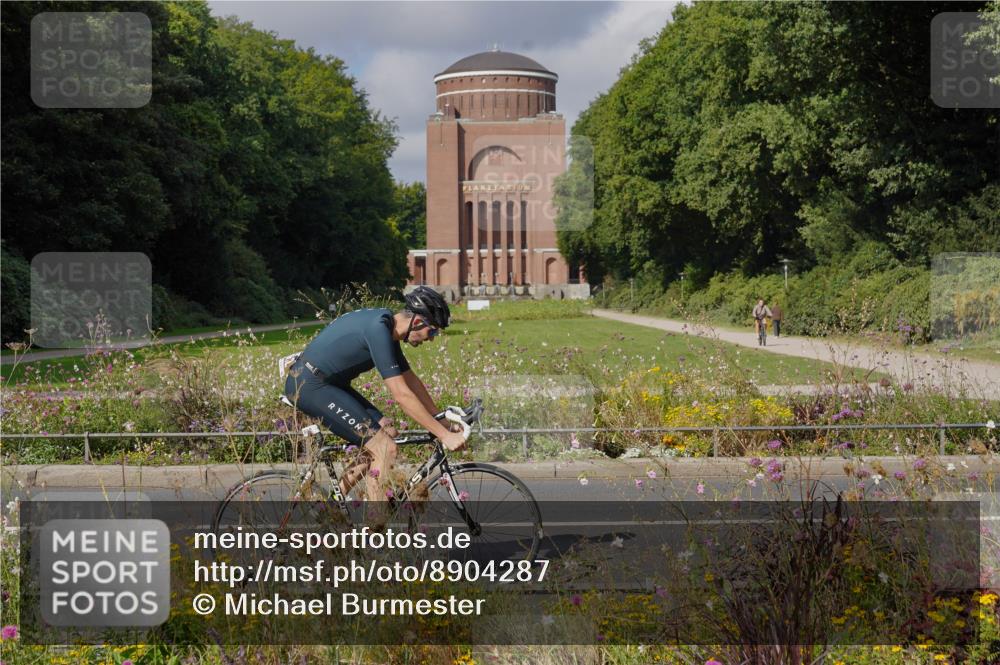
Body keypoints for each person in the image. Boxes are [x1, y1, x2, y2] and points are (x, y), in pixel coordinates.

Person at [283, 286, 467, 504]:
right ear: (418, 322)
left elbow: (412, 382)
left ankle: (332, 504)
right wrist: (443, 435)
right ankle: (373, 530)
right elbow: (402, 395)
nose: (433, 338)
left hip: (329, 384)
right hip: (310, 385)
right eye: (433, 331)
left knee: (387, 432)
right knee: (384, 448)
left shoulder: (388, 329)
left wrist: (441, 420)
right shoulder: (378, 330)